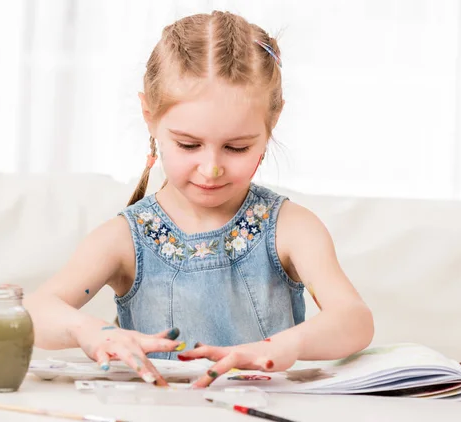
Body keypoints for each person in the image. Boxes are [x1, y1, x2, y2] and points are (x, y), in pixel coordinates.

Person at [24, 10, 374, 389]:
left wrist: (285, 345)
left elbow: (354, 320)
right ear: (149, 116)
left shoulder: (292, 228)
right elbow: (35, 313)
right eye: (189, 145)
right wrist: (88, 332)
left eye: (236, 148)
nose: (211, 168)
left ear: (272, 123)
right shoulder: (123, 239)